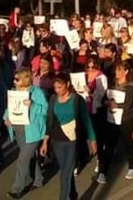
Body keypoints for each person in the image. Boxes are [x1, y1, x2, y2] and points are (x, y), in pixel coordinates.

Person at [40, 72, 97, 200]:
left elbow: (86, 120)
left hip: (72, 140)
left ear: (68, 84)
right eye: (55, 88)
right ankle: (73, 194)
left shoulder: (77, 100)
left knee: (65, 174)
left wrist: (92, 140)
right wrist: (45, 141)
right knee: (66, 171)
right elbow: (49, 121)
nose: (57, 90)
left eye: (60, 87)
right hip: (57, 140)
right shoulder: (53, 99)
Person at [5, 68, 48, 198]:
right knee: (29, 156)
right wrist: (7, 118)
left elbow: (45, 110)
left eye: (17, 79)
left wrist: (33, 105)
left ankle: (17, 189)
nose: (14, 81)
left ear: (25, 79)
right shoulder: (14, 91)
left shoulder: (37, 92)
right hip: (18, 129)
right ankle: (38, 179)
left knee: (22, 160)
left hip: (32, 131)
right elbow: (9, 108)